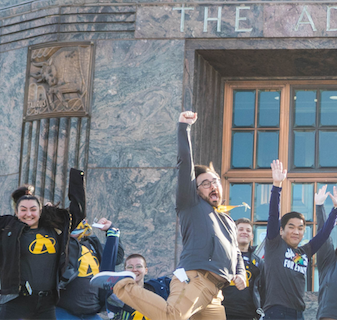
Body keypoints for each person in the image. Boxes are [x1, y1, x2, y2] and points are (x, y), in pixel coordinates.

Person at [92, 111, 246, 320]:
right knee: (172, 316)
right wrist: (184, 127)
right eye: (205, 183)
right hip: (195, 279)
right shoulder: (191, 204)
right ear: (196, 190)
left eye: (215, 181)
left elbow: (236, 252)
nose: (212, 185)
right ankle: (120, 285)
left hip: (215, 292)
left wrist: (240, 273)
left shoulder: (227, 219)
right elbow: (185, 164)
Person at [0, 167, 86, 320]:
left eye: (33, 209)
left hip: (47, 304)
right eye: (23, 210)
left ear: (40, 211)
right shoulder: (5, 228)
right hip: (16, 303)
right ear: (17, 211)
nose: (28, 214)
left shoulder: (53, 228)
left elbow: (77, 213)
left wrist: (77, 178)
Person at [260, 160, 337, 320]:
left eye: (300, 228)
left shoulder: (304, 252)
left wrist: (336, 209)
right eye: (291, 227)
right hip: (276, 312)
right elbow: (273, 216)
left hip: (298, 313)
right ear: (281, 230)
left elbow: (324, 234)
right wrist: (277, 185)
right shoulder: (274, 244)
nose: (296, 231)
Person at [57, 218, 125, 320]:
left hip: (91, 313)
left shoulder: (93, 245)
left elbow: (117, 257)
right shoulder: (60, 247)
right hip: (64, 312)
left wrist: (110, 229)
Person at [222, 218, 265, 320]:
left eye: (248, 230)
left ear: (252, 236)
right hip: (223, 311)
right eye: (240, 229)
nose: (244, 232)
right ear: (233, 233)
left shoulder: (258, 262)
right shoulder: (222, 256)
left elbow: (263, 289)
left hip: (248, 314)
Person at [106, 254, 172, 320]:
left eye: (138, 266)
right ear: (125, 271)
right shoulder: (116, 294)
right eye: (130, 267)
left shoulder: (159, 287)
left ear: (146, 270)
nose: (134, 269)